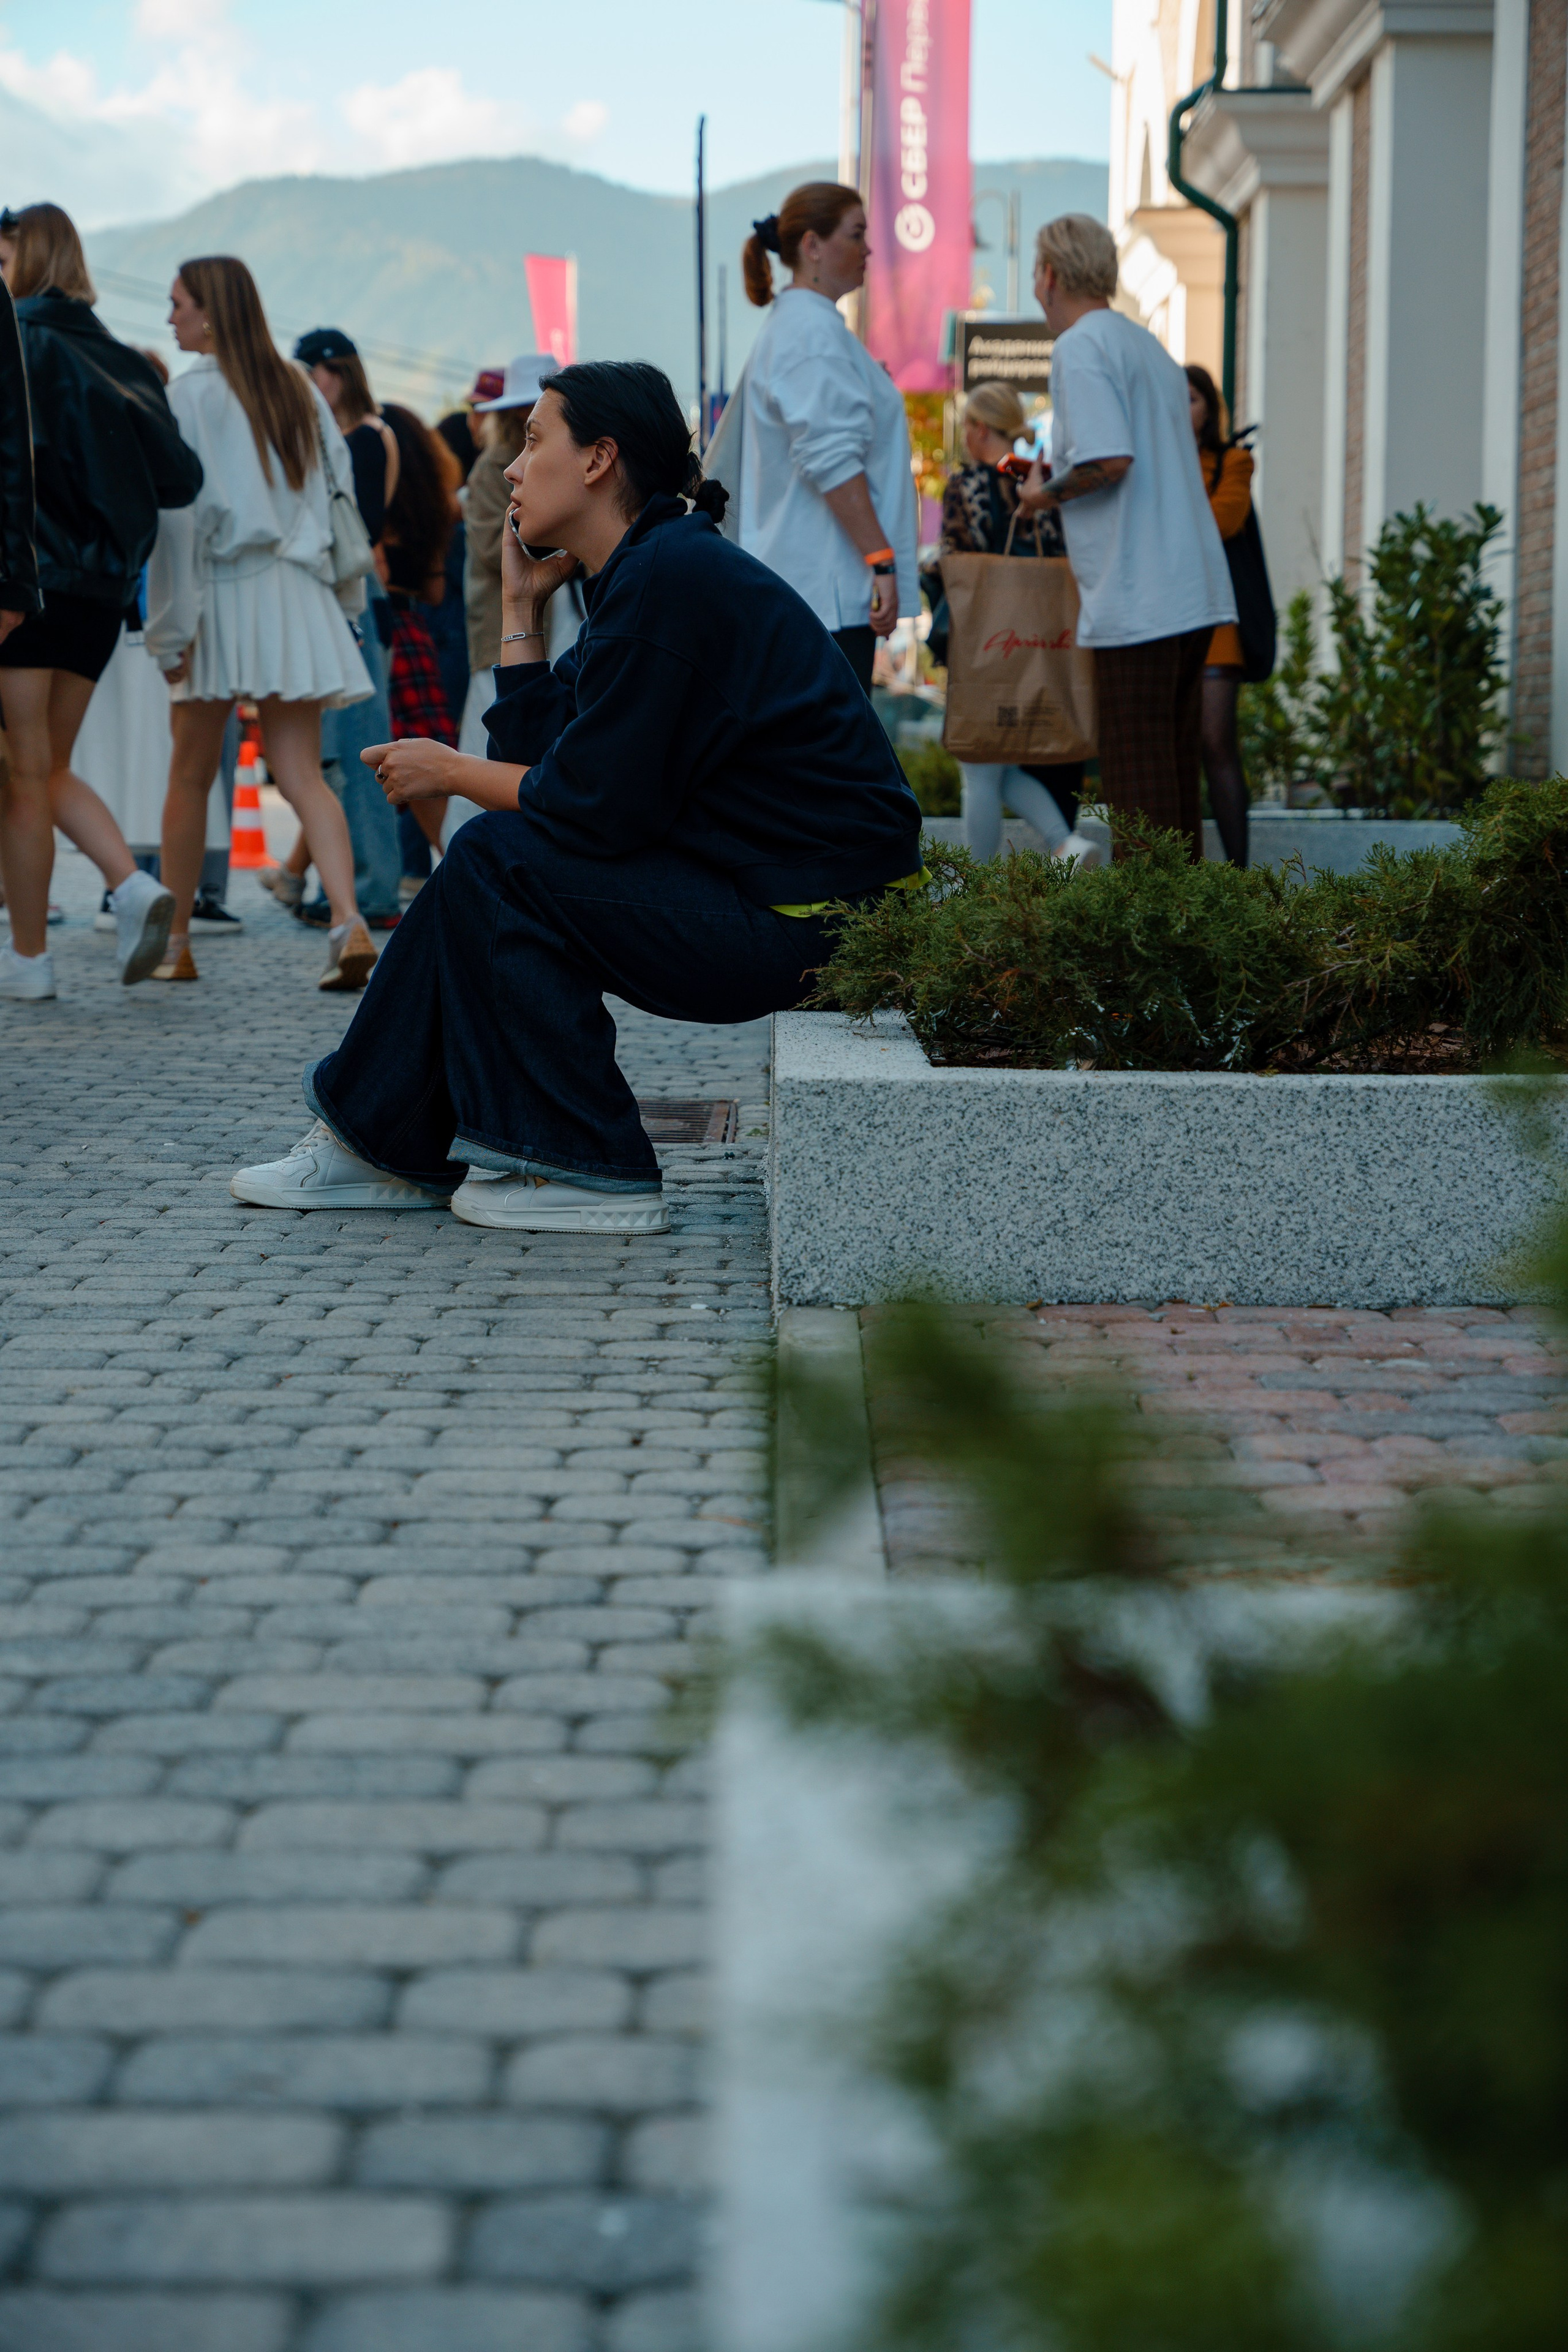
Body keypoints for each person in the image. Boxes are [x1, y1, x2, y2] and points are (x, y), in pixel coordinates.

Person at [229, 360, 922, 1232]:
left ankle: (583, 1165)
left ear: (599, 459)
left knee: (495, 863)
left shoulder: (669, 577)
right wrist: (522, 608)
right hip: (782, 902)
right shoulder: (649, 569)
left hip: (820, 920)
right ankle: (382, 1147)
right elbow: (544, 760)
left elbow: (587, 806)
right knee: (494, 864)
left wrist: (448, 771)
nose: (512, 468)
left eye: (532, 441)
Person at [146, 255, 378, 989]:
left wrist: (169, 631)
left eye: (178, 303)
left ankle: (175, 943)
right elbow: (339, 499)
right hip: (296, 591)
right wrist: (344, 608)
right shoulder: (298, 388)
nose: (170, 317)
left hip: (219, 592)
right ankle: (347, 920)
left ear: (211, 312)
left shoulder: (187, 397)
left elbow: (178, 523)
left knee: (190, 775)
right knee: (304, 774)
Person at [0, 202, 200, 999]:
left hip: (24, 581)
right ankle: (129, 885)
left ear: (24, 259)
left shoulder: (17, 339)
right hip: (99, 597)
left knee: (25, 773)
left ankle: (33, 961)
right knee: (43, 768)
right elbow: (180, 478)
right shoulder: (119, 357)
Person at [1017, 214, 1235, 862]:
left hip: (1140, 591)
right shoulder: (1148, 347)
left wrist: (1040, 494)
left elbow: (1108, 460)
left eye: (1035, 272)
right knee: (1173, 775)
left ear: (1050, 275)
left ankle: (1149, 924)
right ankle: (1186, 916)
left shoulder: (1080, 347)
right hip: (1191, 585)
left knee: (1138, 779)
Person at [704, 182, 916, 696]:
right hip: (823, 593)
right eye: (856, 234)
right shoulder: (810, 333)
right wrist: (881, 560)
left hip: (809, 589)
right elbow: (833, 461)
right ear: (813, 245)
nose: (868, 249)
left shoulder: (804, 328)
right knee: (829, 744)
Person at [267, 326, 404, 929]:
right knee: (344, 749)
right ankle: (354, 883)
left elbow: (357, 529)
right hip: (359, 594)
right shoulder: (367, 434)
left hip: (353, 593)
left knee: (356, 747)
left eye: (311, 373)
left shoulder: (363, 438)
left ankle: (370, 890)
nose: (304, 385)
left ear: (336, 373)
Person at [937, 379, 1097, 869]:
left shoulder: (967, 485)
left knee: (978, 763)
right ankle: (1066, 846)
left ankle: (976, 885)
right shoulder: (1042, 483)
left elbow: (955, 563)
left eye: (968, 425)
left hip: (985, 639)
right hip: (1042, 642)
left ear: (980, 429)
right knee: (994, 765)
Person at [1186, 363, 1254, 867]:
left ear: (1209, 408)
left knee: (1216, 743)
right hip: (1160, 621)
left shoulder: (1233, 461)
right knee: (1174, 752)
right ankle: (1182, 874)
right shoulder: (1147, 461)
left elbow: (1224, 520)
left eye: (1190, 398)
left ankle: (1239, 875)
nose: (1179, 408)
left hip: (1214, 622)